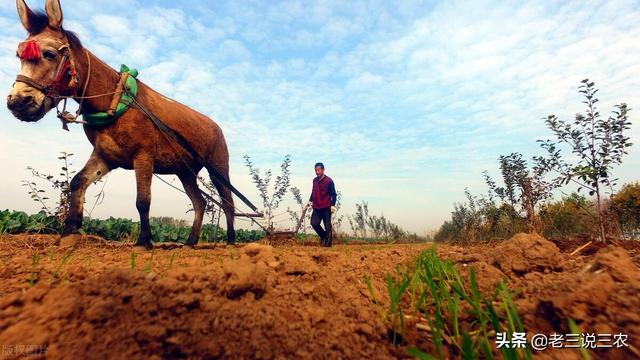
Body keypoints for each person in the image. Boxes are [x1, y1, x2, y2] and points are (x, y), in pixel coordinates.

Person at [307, 162, 337, 247]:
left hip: (326, 207)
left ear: (323, 170)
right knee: (314, 223)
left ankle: (328, 245)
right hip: (316, 207)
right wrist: (310, 201)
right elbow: (313, 192)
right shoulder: (315, 180)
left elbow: (334, 194)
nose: (317, 172)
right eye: (315, 170)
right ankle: (324, 236)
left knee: (328, 227)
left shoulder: (329, 181)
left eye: (318, 170)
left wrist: (333, 205)